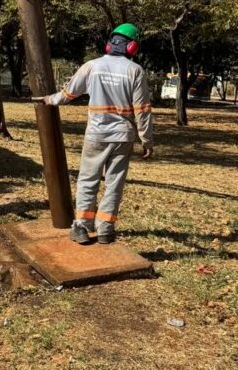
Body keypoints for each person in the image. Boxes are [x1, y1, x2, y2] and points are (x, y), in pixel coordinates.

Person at [32, 23, 153, 245]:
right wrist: (147, 140)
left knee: (88, 180)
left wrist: (49, 100)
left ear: (110, 44)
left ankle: (81, 227)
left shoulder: (92, 66)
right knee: (114, 183)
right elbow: (142, 110)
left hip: (97, 135)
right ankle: (106, 228)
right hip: (122, 137)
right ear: (133, 47)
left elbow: (69, 93)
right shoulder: (135, 71)